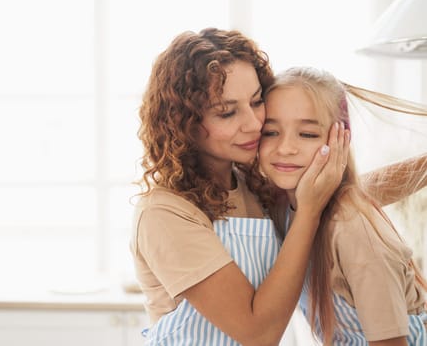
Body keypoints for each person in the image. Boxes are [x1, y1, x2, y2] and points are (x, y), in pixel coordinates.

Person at [130, 27, 426, 345]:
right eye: (227, 112)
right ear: (183, 121)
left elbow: (342, 194)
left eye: (257, 102)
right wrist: (310, 210)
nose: (254, 123)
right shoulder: (166, 212)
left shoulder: (253, 186)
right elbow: (257, 333)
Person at [258, 66, 427, 345]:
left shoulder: (352, 229)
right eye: (271, 131)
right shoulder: (282, 208)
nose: (285, 147)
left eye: (308, 134)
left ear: (340, 140)